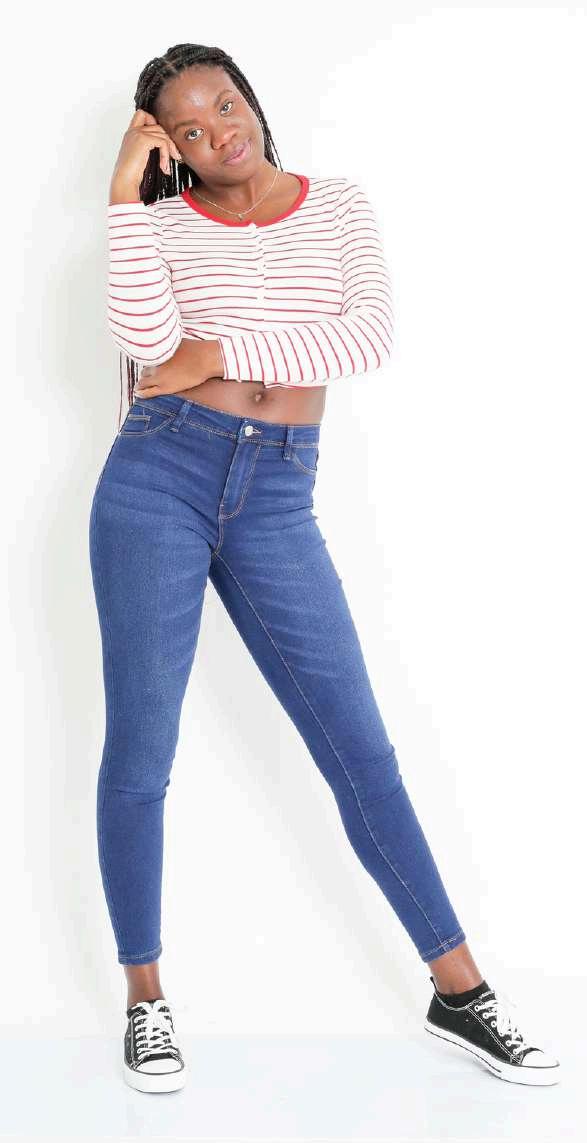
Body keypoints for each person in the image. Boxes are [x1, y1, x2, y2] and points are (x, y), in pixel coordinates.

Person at [90, 42, 560, 1093]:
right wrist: (125, 197)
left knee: (358, 749)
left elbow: (362, 339)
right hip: (156, 478)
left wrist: (220, 352)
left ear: (250, 99)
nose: (218, 133)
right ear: (170, 148)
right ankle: (145, 999)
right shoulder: (161, 223)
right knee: (142, 749)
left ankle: (458, 991)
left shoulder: (335, 206)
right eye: (188, 129)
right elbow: (145, 340)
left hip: (276, 494)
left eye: (225, 105)